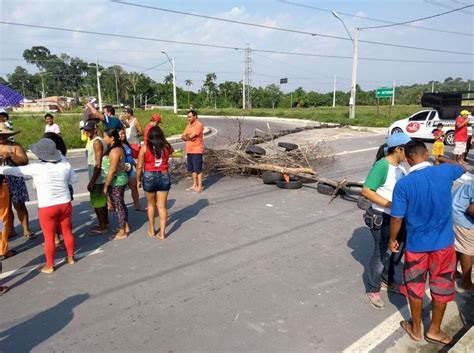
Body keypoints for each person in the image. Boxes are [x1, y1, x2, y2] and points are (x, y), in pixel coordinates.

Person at [390, 140, 465, 345]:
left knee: (415, 287)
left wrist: (393, 239)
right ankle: (435, 330)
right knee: (441, 285)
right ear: (426, 154)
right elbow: (462, 167)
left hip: (416, 247)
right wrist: (441, 159)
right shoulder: (444, 172)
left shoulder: (403, 185)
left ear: (408, 159)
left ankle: (415, 329)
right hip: (443, 245)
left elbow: (397, 218)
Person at [0, 138, 78, 273]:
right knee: (67, 231)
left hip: (47, 207)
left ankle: (49, 265)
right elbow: (74, 180)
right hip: (65, 203)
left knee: (49, 237)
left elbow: (13, 170)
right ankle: (71, 258)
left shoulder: (36, 168)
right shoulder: (64, 165)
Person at [361, 133, 411, 309]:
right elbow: (367, 191)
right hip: (382, 217)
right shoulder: (382, 166)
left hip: (398, 218)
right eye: (408, 149)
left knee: (394, 251)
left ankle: (387, 281)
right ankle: (373, 289)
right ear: (398, 149)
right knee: (381, 254)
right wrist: (391, 204)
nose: (410, 153)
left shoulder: (400, 168)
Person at [136, 126, 173, 240]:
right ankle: (162, 233)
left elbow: (139, 167)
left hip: (149, 176)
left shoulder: (144, 148)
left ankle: (152, 229)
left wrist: (138, 180)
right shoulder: (166, 147)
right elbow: (171, 151)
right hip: (163, 174)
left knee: (151, 205)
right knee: (162, 206)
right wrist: (164, 140)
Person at [0, 122, 34, 243]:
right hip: (1, 182)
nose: (1, 138)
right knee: (5, 208)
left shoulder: (15, 146)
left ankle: (26, 229)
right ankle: (10, 230)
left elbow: (24, 161)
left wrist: (11, 156)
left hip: (15, 180)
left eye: (3, 135)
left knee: (19, 205)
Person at [102, 128, 129, 240]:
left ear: (112, 138)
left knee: (118, 206)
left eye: (105, 136)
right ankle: (125, 226)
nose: (104, 139)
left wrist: (106, 186)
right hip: (118, 180)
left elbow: (112, 170)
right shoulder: (115, 148)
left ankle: (123, 230)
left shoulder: (115, 151)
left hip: (117, 181)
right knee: (120, 204)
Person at [84, 120, 109, 234]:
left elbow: (98, 164)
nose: (87, 131)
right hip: (98, 176)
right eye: (85, 129)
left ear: (95, 129)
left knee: (97, 202)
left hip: (98, 177)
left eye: (89, 129)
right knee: (101, 201)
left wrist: (92, 181)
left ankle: (102, 226)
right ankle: (105, 222)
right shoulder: (93, 141)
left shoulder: (96, 142)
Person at [452, 173, 474, 291]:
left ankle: (453, 272)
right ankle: (466, 282)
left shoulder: (470, 180)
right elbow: (471, 209)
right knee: (467, 251)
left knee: (457, 246)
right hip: (463, 219)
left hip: (453, 212)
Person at [119, 128, 145, 211]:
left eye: (124, 133)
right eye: (121, 134)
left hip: (130, 170)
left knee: (134, 187)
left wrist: (136, 164)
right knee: (120, 190)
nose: (123, 135)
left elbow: (130, 157)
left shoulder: (126, 144)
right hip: (122, 171)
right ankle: (117, 206)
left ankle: (137, 205)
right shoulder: (117, 146)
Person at [182, 109, 204, 192]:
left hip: (197, 150)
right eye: (188, 117)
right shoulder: (188, 125)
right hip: (189, 150)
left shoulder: (199, 125)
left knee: (198, 169)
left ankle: (200, 186)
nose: (188, 118)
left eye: (190, 117)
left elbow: (191, 136)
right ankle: (194, 184)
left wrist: (187, 137)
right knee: (192, 169)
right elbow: (183, 136)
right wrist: (188, 137)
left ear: (195, 116)